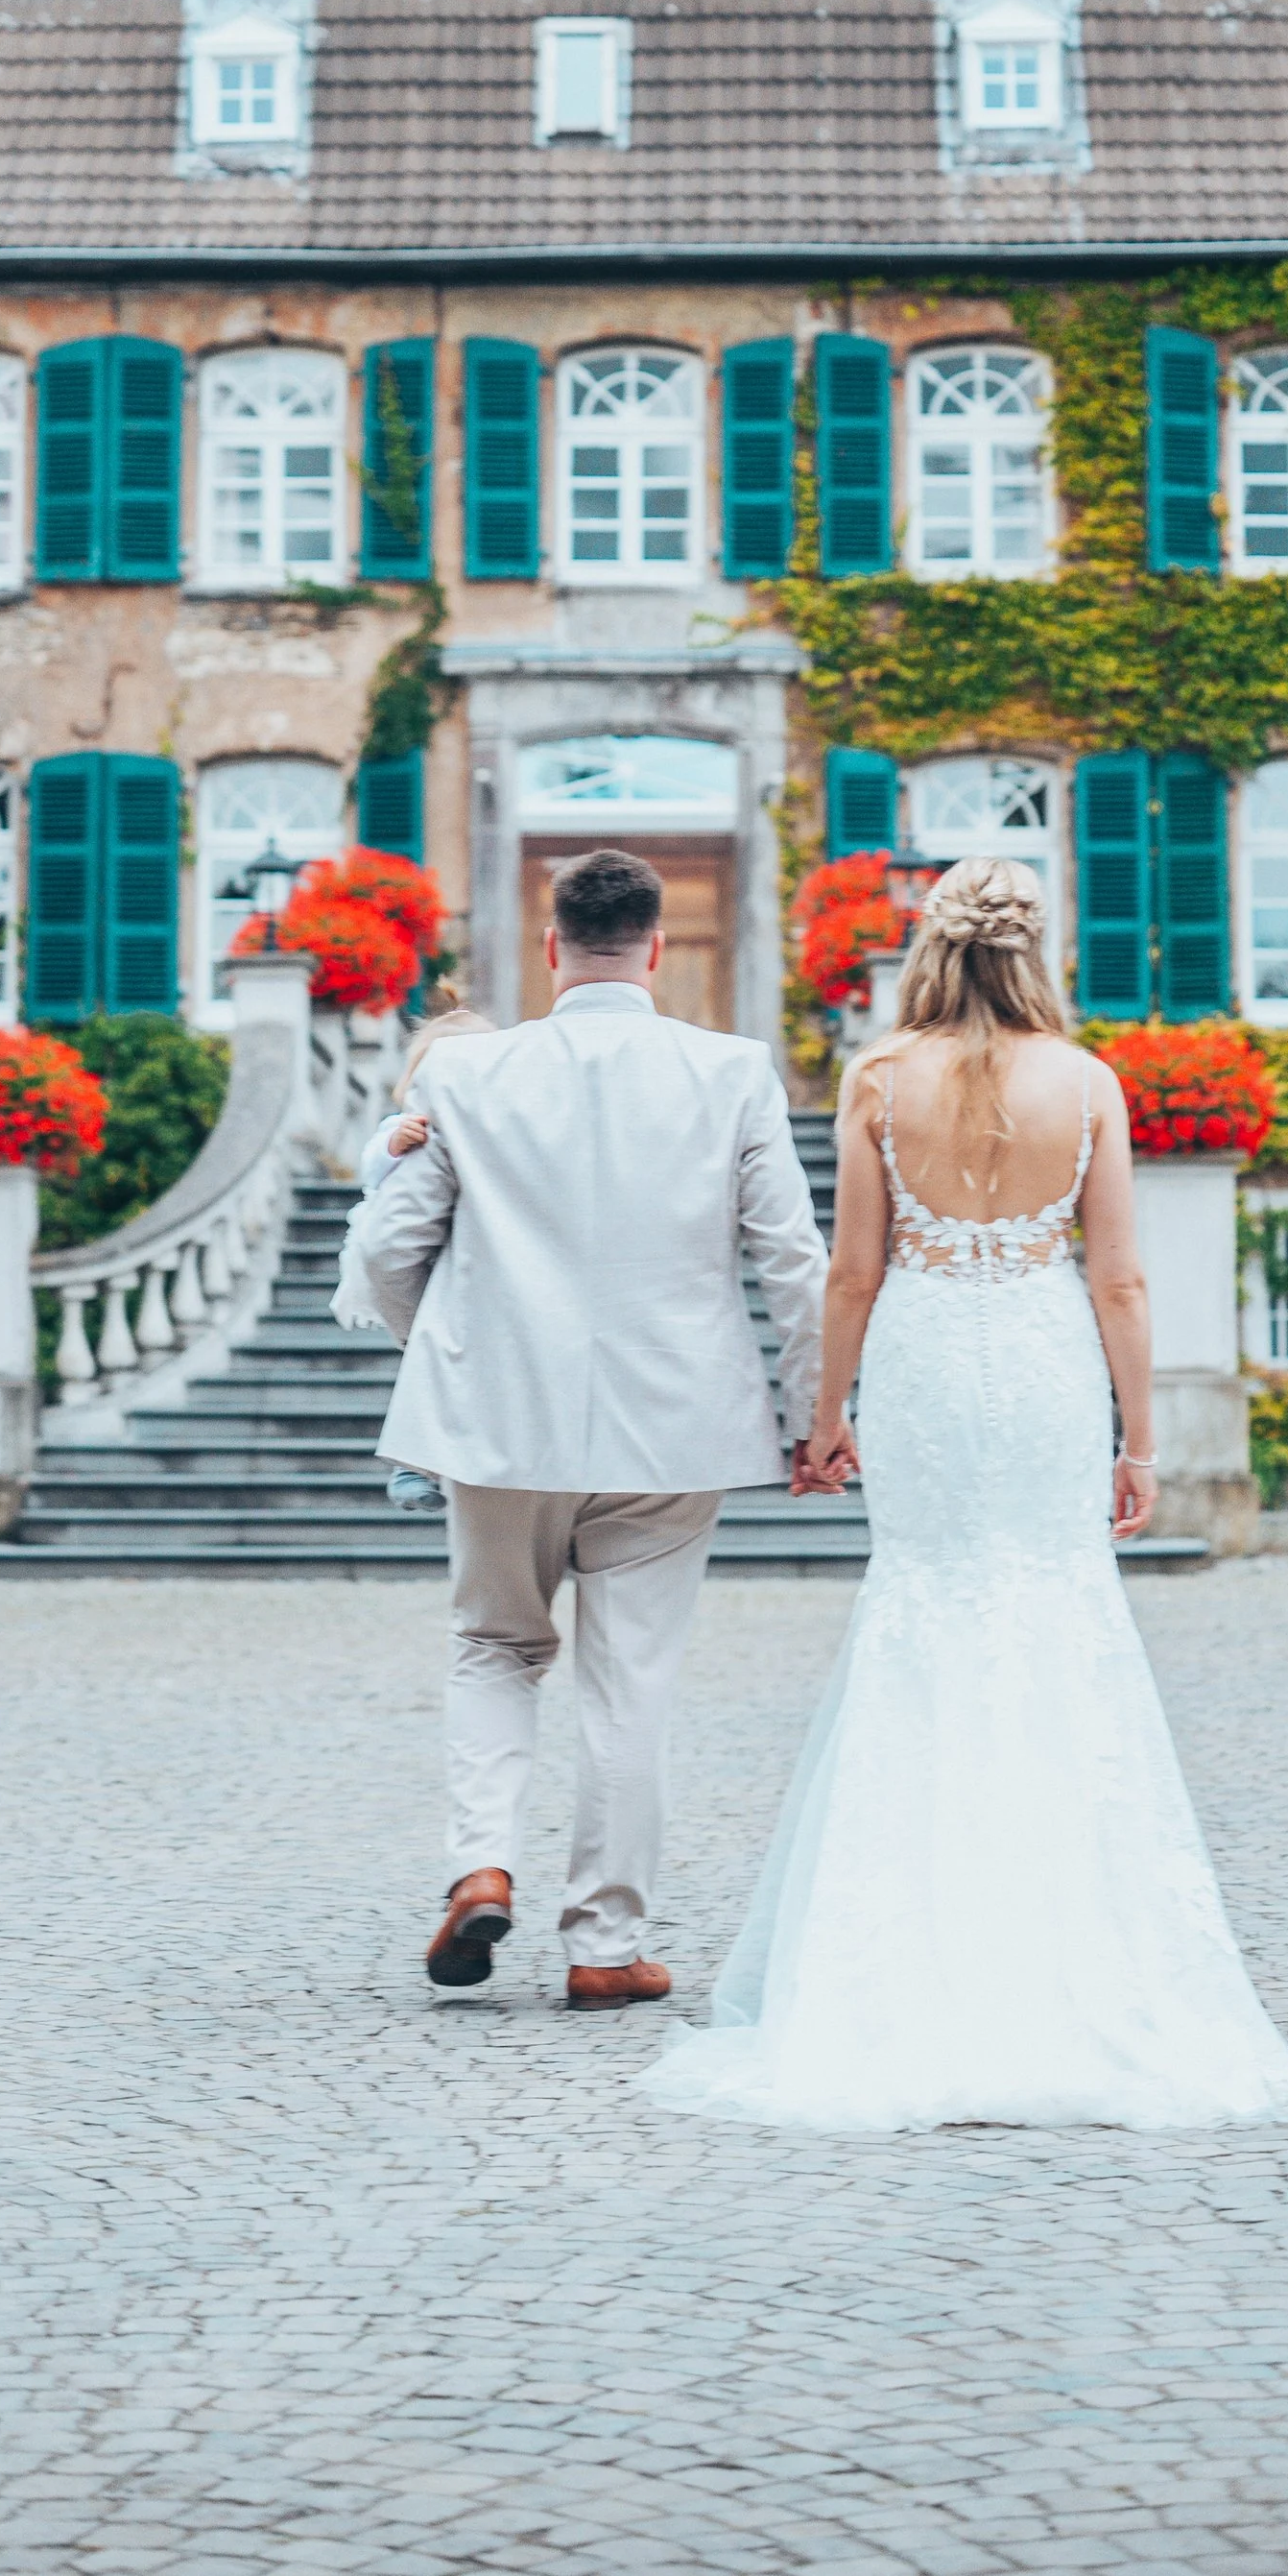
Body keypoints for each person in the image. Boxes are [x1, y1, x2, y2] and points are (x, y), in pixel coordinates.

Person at [640, 855, 1288, 2135]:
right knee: (1059, 1614)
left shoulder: (878, 1081)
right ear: (1034, 951)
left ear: (930, 948)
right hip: (1039, 1367)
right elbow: (1121, 1281)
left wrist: (827, 1414)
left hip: (924, 1371)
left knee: (922, 1609)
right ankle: (1076, 1945)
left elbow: (851, 1274)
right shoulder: (1089, 1083)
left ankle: (901, 1961)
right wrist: (1139, 1440)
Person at [349, 847, 827, 2008]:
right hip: (673, 1431)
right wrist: (817, 1419)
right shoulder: (733, 1071)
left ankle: (480, 1867)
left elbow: (380, 1250)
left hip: (498, 1426)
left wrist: (447, 1353)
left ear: (551, 948)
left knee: (493, 1646)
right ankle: (605, 1949)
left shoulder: (471, 1076)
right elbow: (792, 1264)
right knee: (632, 1688)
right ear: (657, 949)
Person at [328, 1000, 498, 1516]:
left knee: (442, 1365)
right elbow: (371, 1171)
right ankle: (412, 1463)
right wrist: (395, 1148)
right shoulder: (405, 1125)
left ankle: (431, 1458)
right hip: (422, 1264)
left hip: (464, 1262)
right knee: (424, 1362)